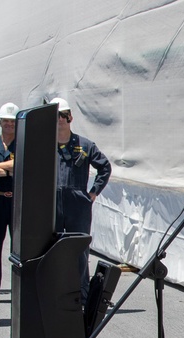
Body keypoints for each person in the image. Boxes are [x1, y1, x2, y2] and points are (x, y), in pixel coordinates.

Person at [52, 96, 111, 303]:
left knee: (79, 250)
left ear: (70, 118)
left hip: (78, 203)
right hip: (52, 204)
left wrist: (93, 193)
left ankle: (82, 296)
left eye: (64, 115)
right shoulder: (43, 145)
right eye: (56, 116)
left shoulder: (84, 145)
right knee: (52, 248)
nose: (60, 120)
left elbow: (104, 167)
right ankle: (55, 293)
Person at [0, 102, 18, 299]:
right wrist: (8, 167)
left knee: (19, 250)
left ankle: (20, 290)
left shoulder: (25, 144)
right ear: (0, 122)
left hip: (17, 203)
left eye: (12, 121)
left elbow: (23, 166)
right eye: (6, 121)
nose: (9, 124)